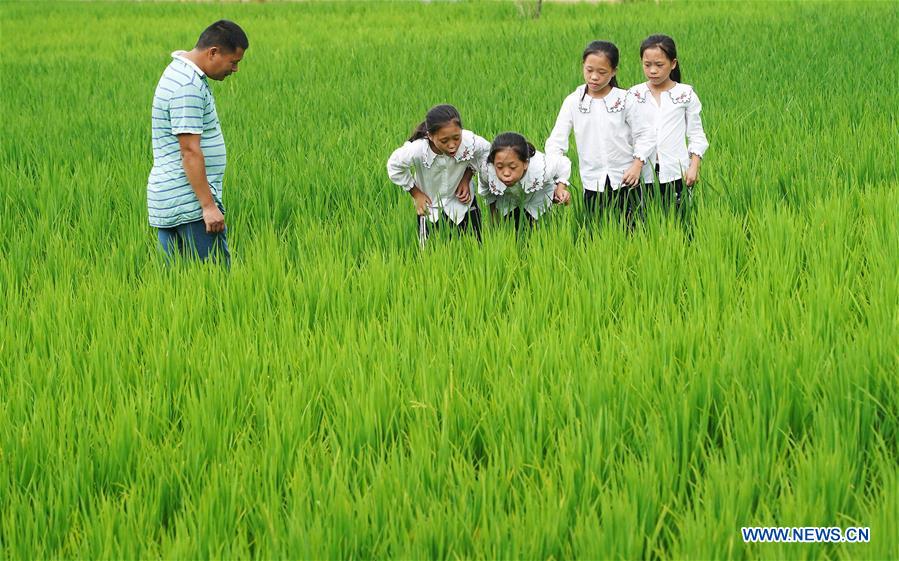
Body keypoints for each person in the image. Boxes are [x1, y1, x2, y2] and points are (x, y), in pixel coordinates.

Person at [147, 20, 248, 266]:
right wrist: (208, 206)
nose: (234, 70)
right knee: (214, 283)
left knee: (179, 285)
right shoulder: (187, 86)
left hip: (172, 199)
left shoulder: (179, 72)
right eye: (233, 62)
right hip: (189, 203)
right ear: (213, 52)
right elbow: (190, 151)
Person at [545, 40, 652, 224]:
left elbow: (645, 134)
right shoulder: (574, 102)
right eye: (589, 70)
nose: (594, 77)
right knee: (597, 234)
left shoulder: (625, 99)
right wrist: (559, 182)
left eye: (602, 72)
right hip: (592, 182)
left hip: (627, 180)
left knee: (634, 232)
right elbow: (556, 143)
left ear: (613, 72)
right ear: (583, 67)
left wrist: (637, 165)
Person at [386, 104, 490, 245]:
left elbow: (486, 153)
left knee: (475, 246)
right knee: (430, 253)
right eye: (444, 141)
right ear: (430, 136)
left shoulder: (469, 141)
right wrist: (416, 194)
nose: (452, 145)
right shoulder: (418, 149)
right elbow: (394, 165)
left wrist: (467, 177)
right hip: (430, 207)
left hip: (463, 204)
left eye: (456, 138)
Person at [629, 34, 709, 212]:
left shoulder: (685, 94)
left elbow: (696, 135)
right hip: (642, 173)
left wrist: (694, 167)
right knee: (642, 221)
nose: (653, 71)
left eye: (659, 65)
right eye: (647, 65)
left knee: (677, 220)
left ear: (673, 64)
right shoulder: (634, 95)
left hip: (676, 171)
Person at [479, 132, 571, 228]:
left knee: (539, 231)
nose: (506, 173)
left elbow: (563, 164)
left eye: (512, 167)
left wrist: (560, 189)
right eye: (500, 167)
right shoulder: (487, 171)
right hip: (508, 201)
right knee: (511, 233)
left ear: (525, 163)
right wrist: (494, 224)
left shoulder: (541, 168)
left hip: (537, 199)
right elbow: (488, 194)